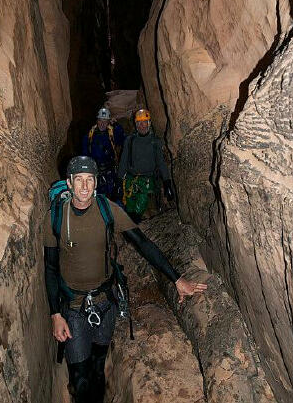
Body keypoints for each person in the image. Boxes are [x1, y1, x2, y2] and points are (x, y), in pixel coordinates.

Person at [44, 156, 207, 403]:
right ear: (69, 183)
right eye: (79, 180)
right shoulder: (55, 217)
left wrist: (176, 279)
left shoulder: (108, 210)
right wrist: (56, 315)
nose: (85, 186)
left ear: (96, 182)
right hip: (74, 308)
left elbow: (142, 243)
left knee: (98, 367)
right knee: (80, 377)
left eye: (90, 179)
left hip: (105, 302)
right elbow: (50, 267)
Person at [117, 108, 174, 224]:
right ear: (136, 124)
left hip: (146, 180)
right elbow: (123, 161)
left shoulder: (155, 142)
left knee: (139, 208)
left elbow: (161, 163)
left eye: (144, 123)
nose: (142, 125)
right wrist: (119, 180)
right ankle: (131, 232)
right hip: (130, 179)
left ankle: (135, 228)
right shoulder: (130, 140)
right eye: (139, 123)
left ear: (149, 123)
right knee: (129, 209)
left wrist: (167, 182)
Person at [82, 107, 124, 199]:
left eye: (105, 121)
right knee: (96, 197)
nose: (102, 124)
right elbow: (85, 153)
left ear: (108, 122)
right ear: (97, 120)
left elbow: (122, 139)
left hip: (109, 171)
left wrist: (117, 125)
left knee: (111, 196)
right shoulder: (90, 136)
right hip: (95, 171)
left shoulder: (112, 133)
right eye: (100, 120)